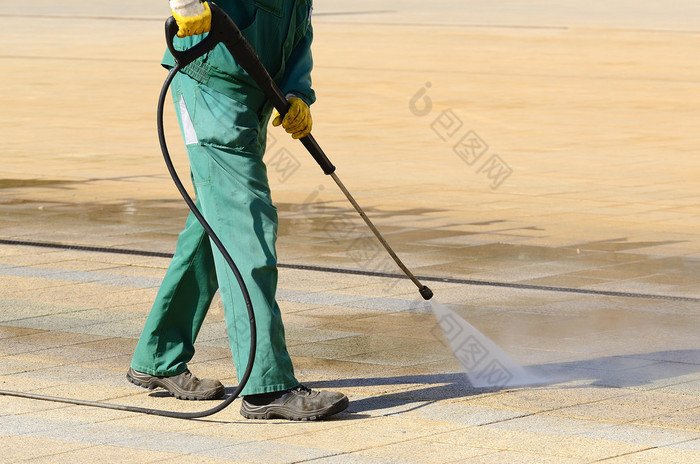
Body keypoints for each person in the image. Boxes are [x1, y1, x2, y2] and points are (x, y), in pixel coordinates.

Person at [126, 0, 349, 421]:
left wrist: (297, 91)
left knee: (214, 224)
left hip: (251, 101)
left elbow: (297, 28)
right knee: (246, 225)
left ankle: (158, 354)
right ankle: (266, 386)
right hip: (208, 86)